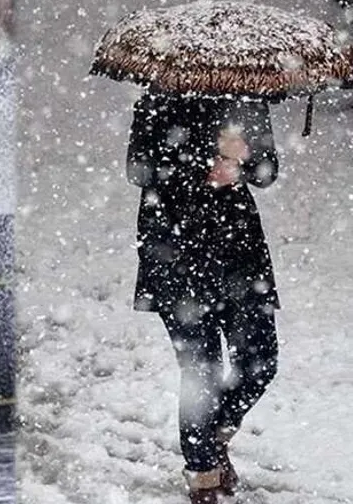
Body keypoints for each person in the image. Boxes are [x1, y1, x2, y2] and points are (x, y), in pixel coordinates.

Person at [126, 92, 280, 503]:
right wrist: (206, 159)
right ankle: (203, 477)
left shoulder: (246, 96)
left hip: (238, 255)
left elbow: (267, 171)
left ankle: (213, 438)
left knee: (261, 360)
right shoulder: (157, 100)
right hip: (175, 253)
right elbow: (140, 170)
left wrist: (243, 161)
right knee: (202, 372)